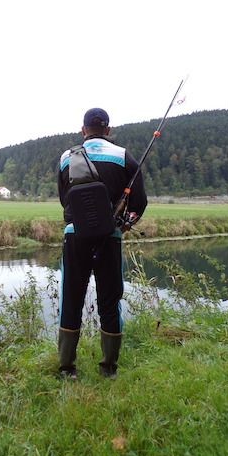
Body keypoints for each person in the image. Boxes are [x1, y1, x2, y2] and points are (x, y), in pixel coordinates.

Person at [58, 107, 147, 379]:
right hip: (110, 237)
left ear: (83, 130)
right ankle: (108, 368)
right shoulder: (123, 155)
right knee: (110, 300)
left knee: (71, 299)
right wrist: (125, 223)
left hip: (75, 235)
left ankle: (67, 368)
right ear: (108, 130)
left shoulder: (66, 157)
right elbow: (139, 202)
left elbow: (65, 199)